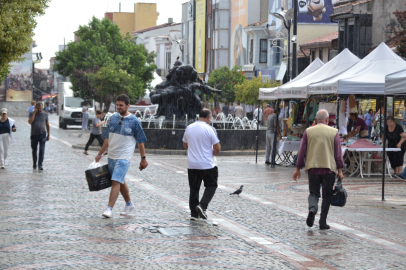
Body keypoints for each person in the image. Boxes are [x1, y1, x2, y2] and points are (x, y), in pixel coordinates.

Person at [95, 94, 148, 218]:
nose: (118, 107)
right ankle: (129, 204)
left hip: (124, 157)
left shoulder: (135, 121)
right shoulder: (113, 118)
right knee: (120, 180)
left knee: (115, 181)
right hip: (112, 156)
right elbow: (107, 138)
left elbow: (140, 141)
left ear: (128, 106)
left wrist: (143, 158)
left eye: (121, 105)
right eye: (117, 105)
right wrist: (100, 153)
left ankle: (109, 209)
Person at [293, 109, 344, 230]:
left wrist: (297, 168)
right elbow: (338, 153)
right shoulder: (334, 132)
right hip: (329, 169)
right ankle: (322, 222)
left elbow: (301, 152)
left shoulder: (308, 131)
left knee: (314, 193)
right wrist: (340, 170)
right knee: (327, 195)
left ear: (316, 120)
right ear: (327, 120)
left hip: (313, 168)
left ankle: (312, 210)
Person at [182, 108, 221, 220]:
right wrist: (213, 153)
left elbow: (185, 145)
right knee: (212, 185)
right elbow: (217, 147)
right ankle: (202, 206)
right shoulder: (209, 129)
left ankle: (194, 214)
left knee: (194, 188)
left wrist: (193, 150)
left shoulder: (189, 127)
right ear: (208, 117)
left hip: (192, 164)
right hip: (207, 164)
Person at [28, 102, 50, 170]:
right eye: (38, 108)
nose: (39, 109)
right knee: (34, 150)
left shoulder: (45, 115)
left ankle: (40, 165)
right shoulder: (32, 114)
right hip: (34, 135)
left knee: (42, 150)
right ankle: (34, 164)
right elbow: (30, 122)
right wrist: (34, 113)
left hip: (42, 135)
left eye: (40, 108)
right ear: (35, 108)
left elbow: (47, 124)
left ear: (42, 107)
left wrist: (48, 134)